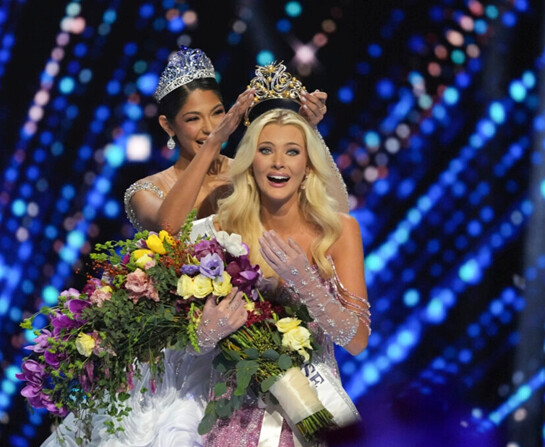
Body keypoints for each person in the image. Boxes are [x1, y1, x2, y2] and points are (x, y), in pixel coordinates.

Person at [189, 64, 370, 446]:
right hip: (235, 417)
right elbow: (187, 341)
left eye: (292, 152)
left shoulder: (339, 231)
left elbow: (356, 340)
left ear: (307, 167)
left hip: (313, 409)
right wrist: (207, 332)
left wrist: (305, 278)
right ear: (250, 163)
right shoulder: (218, 231)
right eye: (265, 150)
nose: (278, 163)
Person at [124, 47, 347, 233]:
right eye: (193, 118)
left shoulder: (250, 172)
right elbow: (168, 226)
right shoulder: (146, 191)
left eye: (217, 113)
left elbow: (337, 211)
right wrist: (214, 142)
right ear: (167, 125)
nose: (210, 128)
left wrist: (310, 129)